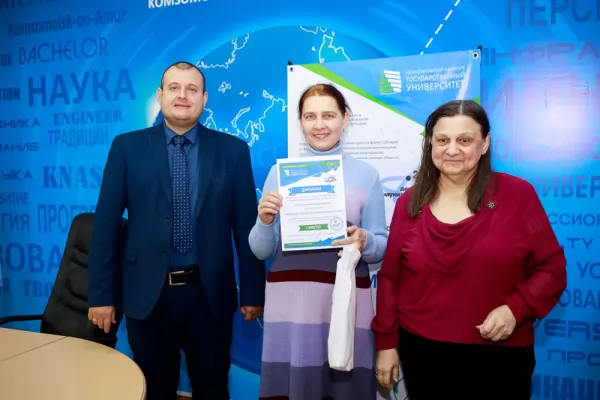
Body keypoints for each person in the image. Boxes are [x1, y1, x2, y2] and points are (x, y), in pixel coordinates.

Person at [87, 61, 266, 400]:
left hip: (209, 299)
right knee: (154, 390)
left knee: (213, 390)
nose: (183, 95)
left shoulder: (233, 151)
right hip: (148, 298)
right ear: (160, 96)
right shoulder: (127, 148)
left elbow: (246, 227)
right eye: (174, 88)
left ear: (204, 99)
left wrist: (253, 292)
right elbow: (106, 226)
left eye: (192, 89)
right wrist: (101, 296)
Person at [371, 100, 567, 399]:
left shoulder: (518, 195)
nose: (452, 150)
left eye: (464, 140)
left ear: (485, 143)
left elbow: (552, 270)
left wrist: (516, 309)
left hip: (501, 355)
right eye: (442, 140)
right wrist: (386, 343)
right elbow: (390, 279)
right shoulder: (409, 202)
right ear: (430, 144)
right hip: (423, 352)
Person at [250, 83, 388, 400]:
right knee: (295, 383)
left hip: (344, 299)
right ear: (300, 122)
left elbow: (380, 249)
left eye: (328, 115)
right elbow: (260, 249)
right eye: (310, 116)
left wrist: (365, 240)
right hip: (291, 300)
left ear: (345, 119)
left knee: (344, 384)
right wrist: (264, 220)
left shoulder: (366, 175)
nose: (319, 124)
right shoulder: (279, 173)